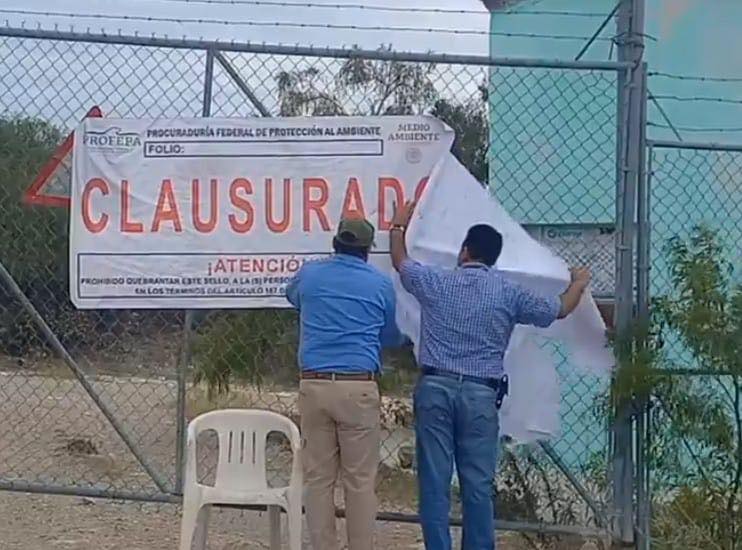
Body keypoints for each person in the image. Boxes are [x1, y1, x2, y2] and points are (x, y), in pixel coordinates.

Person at [388, 201, 591, 550]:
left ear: (464, 251)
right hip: (481, 395)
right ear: (493, 258)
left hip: (436, 387)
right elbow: (558, 309)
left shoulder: (437, 281)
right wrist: (579, 282)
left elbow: (401, 262)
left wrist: (398, 227)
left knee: (434, 482)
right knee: (477, 484)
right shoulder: (507, 292)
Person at [286, 216, 402, 550]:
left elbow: (293, 297)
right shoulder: (379, 284)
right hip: (358, 386)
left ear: (336, 242)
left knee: (319, 479)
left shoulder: (310, 274)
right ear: (367, 250)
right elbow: (392, 335)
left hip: (314, 384)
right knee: (360, 481)